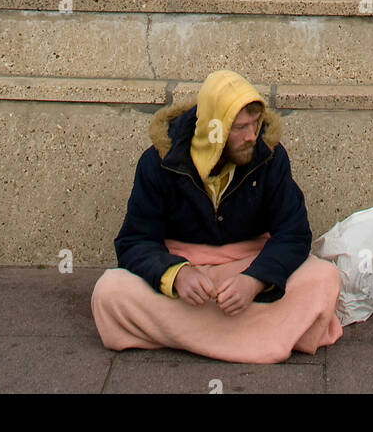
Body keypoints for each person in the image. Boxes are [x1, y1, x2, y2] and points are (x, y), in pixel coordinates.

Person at [91, 69, 342, 363]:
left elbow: (294, 233)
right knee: (110, 292)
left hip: (248, 264)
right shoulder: (158, 162)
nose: (251, 136)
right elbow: (135, 240)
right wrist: (176, 274)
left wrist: (254, 281)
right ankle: (261, 337)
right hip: (185, 270)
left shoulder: (270, 156)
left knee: (323, 278)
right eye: (239, 128)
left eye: (255, 124)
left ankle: (182, 334)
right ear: (214, 129)